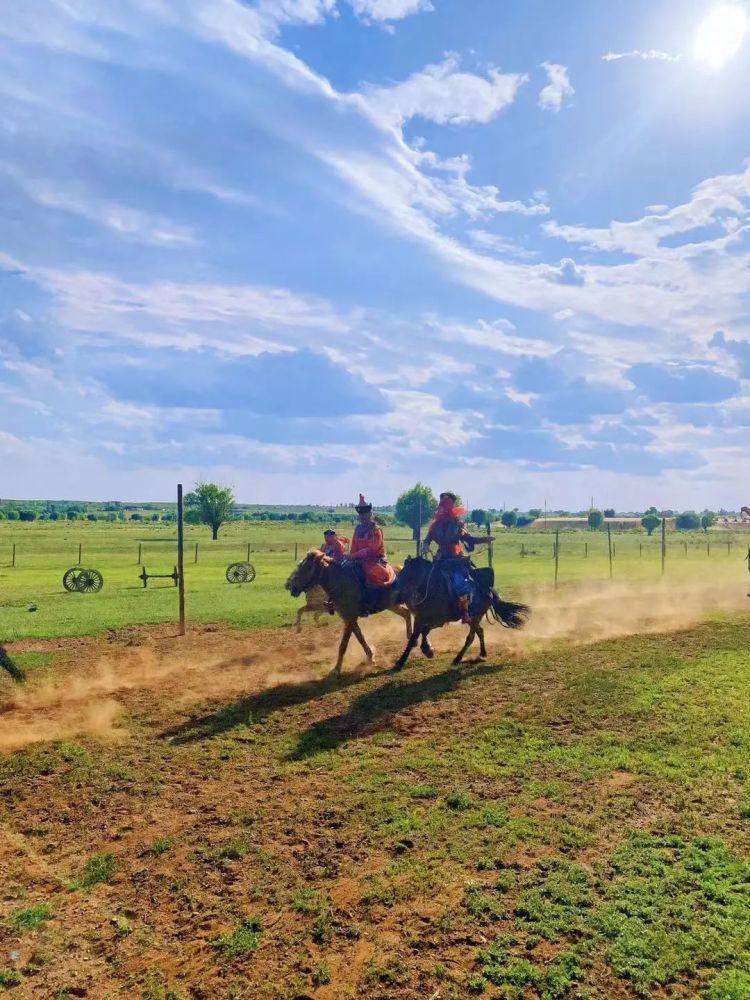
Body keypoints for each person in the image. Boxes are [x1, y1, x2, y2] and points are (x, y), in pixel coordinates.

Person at [421, 491, 492, 623]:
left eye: (445, 506)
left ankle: (464, 611)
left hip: (456, 560)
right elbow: (427, 540)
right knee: (425, 581)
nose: (442, 509)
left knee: (459, 583)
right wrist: (425, 545)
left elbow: (470, 540)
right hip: (440, 560)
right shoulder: (435, 525)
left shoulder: (458, 525)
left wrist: (484, 539)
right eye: (441, 506)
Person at [349, 494, 395, 612]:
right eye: (360, 514)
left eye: (364, 514)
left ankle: (372, 603)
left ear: (370, 514)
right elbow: (354, 546)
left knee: (369, 573)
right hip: (359, 559)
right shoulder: (358, 529)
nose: (362, 516)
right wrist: (350, 557)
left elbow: (372, 549)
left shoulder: (376, 530)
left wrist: (354, 555)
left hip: (375, 560)